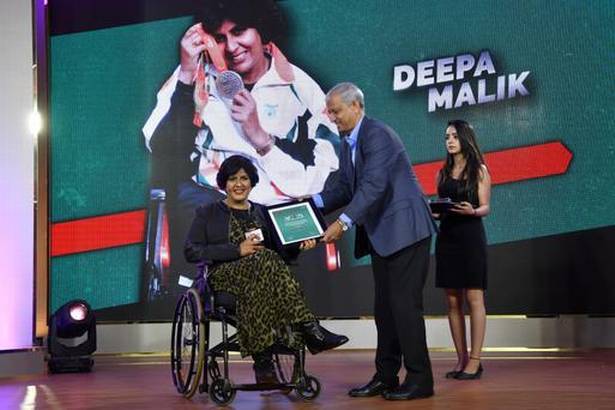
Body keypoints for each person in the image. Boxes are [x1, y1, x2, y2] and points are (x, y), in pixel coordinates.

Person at [142, 0, 338, 214]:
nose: (232, 47)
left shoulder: (300, 87)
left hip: (280, 209)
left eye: (239, 31)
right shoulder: (194, 76)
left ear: (261, 29)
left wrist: (261, 139)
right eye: (219, 38)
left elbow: (321, 176)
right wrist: (187, 78)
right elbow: (162, 149)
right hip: (214, 203)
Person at [315, 82, 437, 401]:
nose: (332, 117)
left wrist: (343, 222)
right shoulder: (348, 141)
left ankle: (420, 380)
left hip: (406, 232)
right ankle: (385, 376)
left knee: (404, 307)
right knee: (385, 309)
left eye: (336, 110)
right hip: (384, 235)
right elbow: (344, 188)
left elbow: (374, 185)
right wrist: (309, 204)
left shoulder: (377, 134)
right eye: (330, 111)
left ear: (356, 106)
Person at [184, 155, 348, 384]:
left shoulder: (262, 213)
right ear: (224, 183)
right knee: (266, 259)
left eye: (244, 178)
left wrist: (300, 246)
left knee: (266, 261)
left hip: (261, 280)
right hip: (223, 279)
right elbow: (191, 251)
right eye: (232, 179)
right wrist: (236, 250)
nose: (239, 184)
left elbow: (281, 255)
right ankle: (311, 329)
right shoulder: (208, 213)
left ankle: (265, 364)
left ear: (252, 182)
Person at [434, 120, 491, 380]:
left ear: (465, 138)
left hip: (470, 237)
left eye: (455, 136)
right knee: (453, 300)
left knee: (474, 298)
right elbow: (440, 204)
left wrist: (472, 211)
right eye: (447, 136)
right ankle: (461, 359)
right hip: (447, 237)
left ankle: (476, 361)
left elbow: (485, 207)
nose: (450, 141)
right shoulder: (442, 172)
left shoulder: (479, 170)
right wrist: (435, 211)